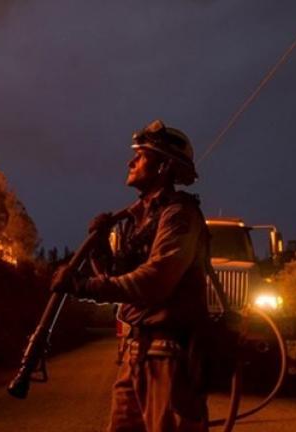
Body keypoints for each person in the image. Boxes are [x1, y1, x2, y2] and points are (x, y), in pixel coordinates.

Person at [52, 119, 210, 432]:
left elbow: (154, 280)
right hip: (136, 352)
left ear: (164, 166)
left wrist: (82, 286)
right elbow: (119, 277)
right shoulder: (137, 220)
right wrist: (99, 249)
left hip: (169, 356)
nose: (131, 161)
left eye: (142, 155)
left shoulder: (179, 215)